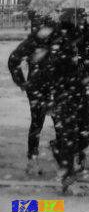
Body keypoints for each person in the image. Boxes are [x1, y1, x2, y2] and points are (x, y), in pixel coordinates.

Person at [46, 8, 89, 193]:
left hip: (83, 92)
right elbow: (52, 65)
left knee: (86, 135)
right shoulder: (58, 35)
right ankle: (68, 178)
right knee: (69, 135)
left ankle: (59, 149)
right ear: (69, 17)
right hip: (65, 92)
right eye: (79, 16)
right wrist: (70, 56)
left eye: (84, 15)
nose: (83, 19)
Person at [8, 12, 53, 175]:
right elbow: (13, 59)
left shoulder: (35, 40)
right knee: (50, 122)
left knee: (37, 122)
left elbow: (14, 59)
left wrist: (23, 82)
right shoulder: (53, 38)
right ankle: (61, 155)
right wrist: (22, 82)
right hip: (49, 85)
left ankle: (34, 158)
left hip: (39, 85)